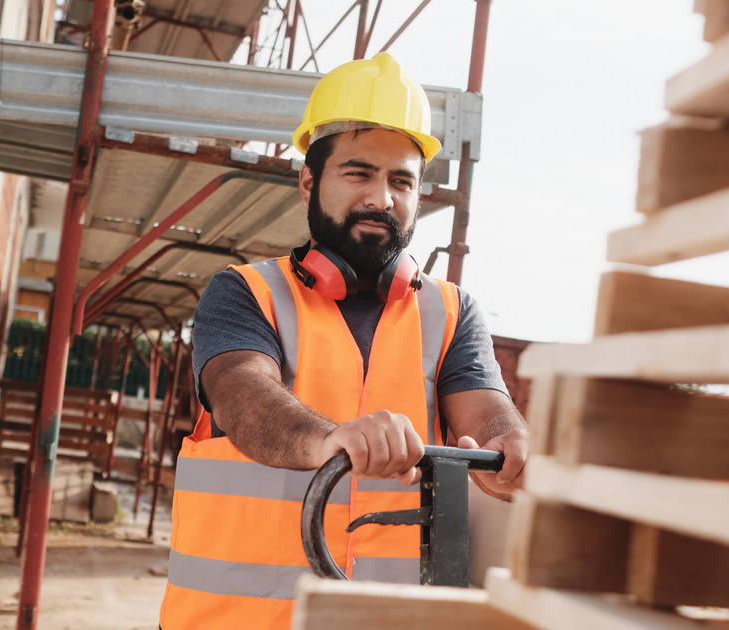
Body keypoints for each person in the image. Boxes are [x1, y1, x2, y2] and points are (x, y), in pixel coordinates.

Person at [159, 52, 528, 629]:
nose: (381, 197)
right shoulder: (244, 293)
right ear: (309, 180)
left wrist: (511, 445)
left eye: (401, 180)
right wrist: (332, 439)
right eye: (359, 173)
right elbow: (241, 395)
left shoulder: (453, 313)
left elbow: (486, 412)